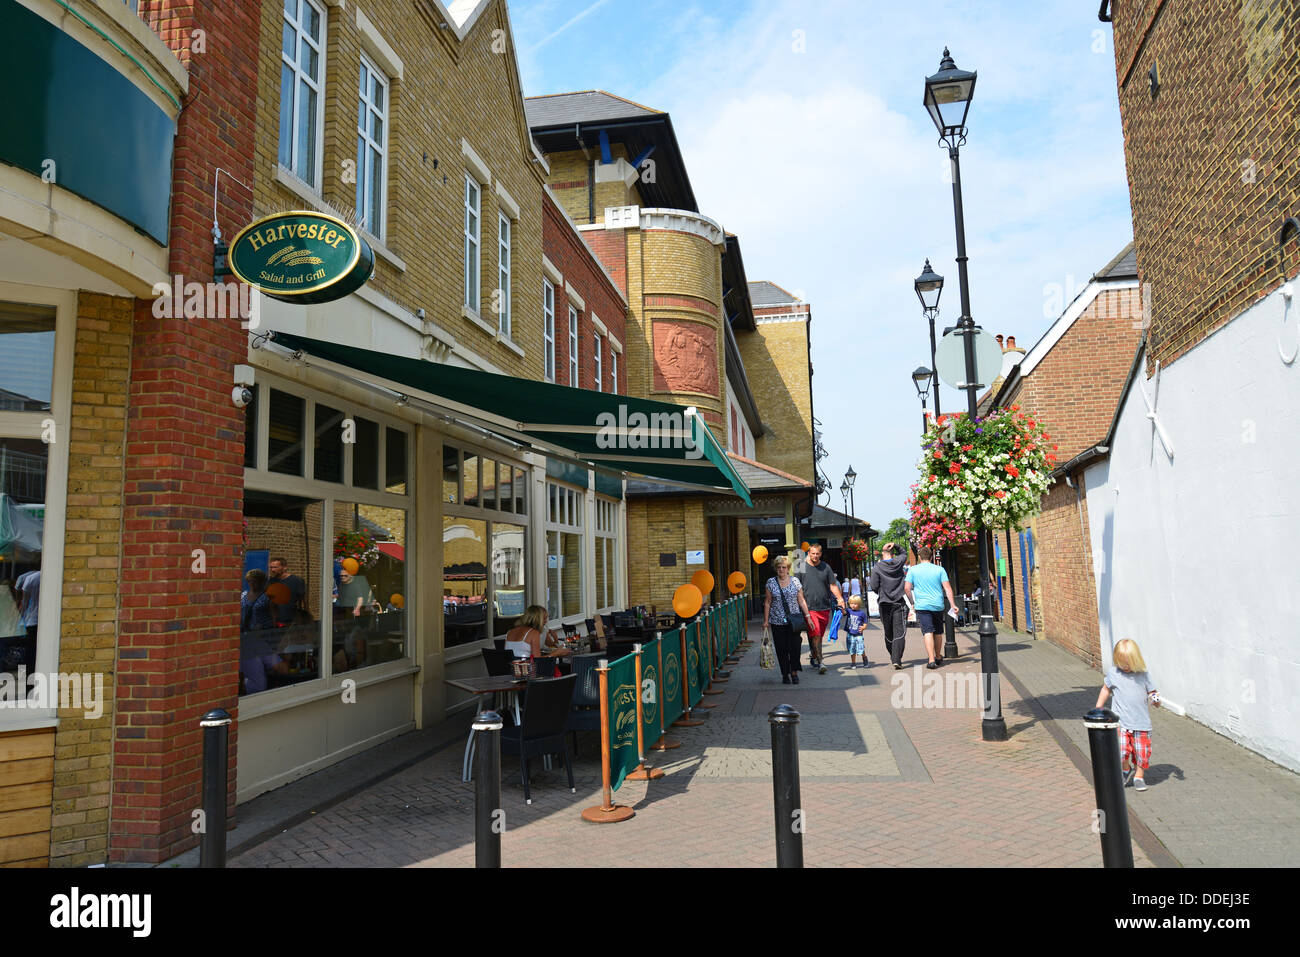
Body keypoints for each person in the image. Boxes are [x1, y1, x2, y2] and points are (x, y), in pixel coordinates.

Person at [1095, 638, 1160, 791]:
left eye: (1128, 663)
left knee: (1142, 753)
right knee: (1120, 751)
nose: (1125, 667)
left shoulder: (1143, 675)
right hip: (1120, 723)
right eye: (1121, 663)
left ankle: (1138, 776)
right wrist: (1099, 706)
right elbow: (1106, 689)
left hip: (1141, 723)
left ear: (1135, 660)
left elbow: (1153, 692)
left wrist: (1156, 701)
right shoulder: (1114, 673)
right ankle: (1125, 769)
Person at [903, 546, 957, 670]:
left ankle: (931, 660)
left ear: (920, 557)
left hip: (922, 605)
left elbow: (907, 588)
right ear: (931, 557)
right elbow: (948, 588)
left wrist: (912, 602)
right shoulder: (940, 569)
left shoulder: (913, 570)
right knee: (938, 632)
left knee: (928, 631)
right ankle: (938, 656)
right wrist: (953, 605)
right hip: (937, 604)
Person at [764, 555, 812, 684]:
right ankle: (785, 673)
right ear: (776, 568)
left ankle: (794, 672)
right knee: (781, 649)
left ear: (788, 568)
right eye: (778, 567)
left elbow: (801, 600)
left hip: (794, 622)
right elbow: (768, 602)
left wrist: (808, 616)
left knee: (795, 647)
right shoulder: (771, 582)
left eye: (784, 567)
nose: (781, 570)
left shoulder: (795, 581)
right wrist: (765, 621)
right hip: (777, 622)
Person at [797, 543, 844, 675]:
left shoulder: (826, 567)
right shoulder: (801, 567)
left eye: (817, 554)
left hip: (824, 607)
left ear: (820, 554)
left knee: (818, 635)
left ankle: (814, 654)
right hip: (809, 608)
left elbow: (833, 585)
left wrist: (840, 599)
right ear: (808, 553)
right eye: (813, 553)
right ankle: (821, 662)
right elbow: (797, 589)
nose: (815, 556)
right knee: (816, 634)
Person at [869, 542, 909, 669]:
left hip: (884, 603)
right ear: (892, 553)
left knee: (889, 632)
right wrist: (896, 545)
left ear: (882, 553)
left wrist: (882, 592)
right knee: (900, 632)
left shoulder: (877, 568)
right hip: (898, 602)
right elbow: (904, 553)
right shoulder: (898, 562)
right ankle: (896, 659)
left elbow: (874, 586)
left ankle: (893, 656)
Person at [504, 605, 569, 659]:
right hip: (526, 670)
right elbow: (537, 661)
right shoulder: (533, 633)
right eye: (544, 619)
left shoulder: (509, 632)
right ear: (538, 619)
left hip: (511, 670)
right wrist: (556, 653)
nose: (546, 621)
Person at [268, 556, 306, 625]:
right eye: (271, 567)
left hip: (292, 620)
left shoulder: (296, 581)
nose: (272, 570)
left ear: (285, 567)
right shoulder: (271, 582)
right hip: (276, 621)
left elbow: (302, 601)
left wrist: (302, 619)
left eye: (275, 567)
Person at [844, 594, 869, 668]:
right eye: (851, 603)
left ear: (859, 604)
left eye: (855, 604)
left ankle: (864, 658)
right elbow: (844, 612)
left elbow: (865, 622)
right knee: (852, 649)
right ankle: (853, 663)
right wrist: (841, 607)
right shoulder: (848, 611)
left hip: (858, 634)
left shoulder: (862, 613)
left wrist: (864, 627)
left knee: (861, 648)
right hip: (850, 633)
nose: (853, 605)